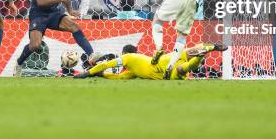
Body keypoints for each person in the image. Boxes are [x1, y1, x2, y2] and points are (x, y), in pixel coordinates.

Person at [13, 0, 98, 76]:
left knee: (74, 26)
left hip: (53, 13)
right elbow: (40, 1)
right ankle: (19, 63)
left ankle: (91, 54)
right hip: (38, 14)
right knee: (35, 45)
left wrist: (70, 11)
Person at [75, 43, 227, 80]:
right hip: (163, 60)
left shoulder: (129, 59)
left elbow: (106, 65)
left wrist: (89, 73)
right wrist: (102, 75)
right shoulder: (133, 69)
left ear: (124, 54)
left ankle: (201, 55)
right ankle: (206, 49)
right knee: (185, 55)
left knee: (183, 69)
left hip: (164, 76)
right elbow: (119, 77)